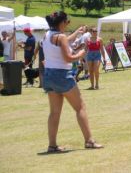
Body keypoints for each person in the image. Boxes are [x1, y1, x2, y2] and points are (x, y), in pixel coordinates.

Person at [43, 11, 103, 153]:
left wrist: (77, 32)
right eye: (67, 22)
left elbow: (63, 41)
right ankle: (89, 141)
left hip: (49, 75)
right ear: (62, 23)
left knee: (54, 112)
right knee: (80, 107)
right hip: (62, 75)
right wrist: (82, 53)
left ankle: (52, 145)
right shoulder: (61, 37)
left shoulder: (47, 35)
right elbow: (69, 58)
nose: (67, 24)